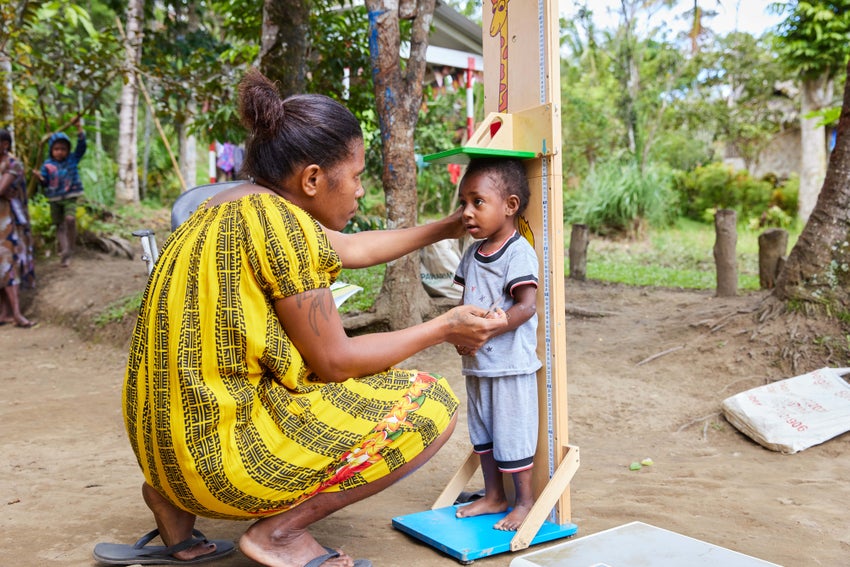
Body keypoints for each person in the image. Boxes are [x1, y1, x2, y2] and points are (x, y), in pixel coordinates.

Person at [93, 68, 506, 567]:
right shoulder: (284, 229)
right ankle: (280, 535)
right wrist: (444, 327)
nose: (358, 192)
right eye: (355, 177)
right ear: (312, 178)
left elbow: (352, 248)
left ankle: (174, 518)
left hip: (165, 456)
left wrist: (445, 227)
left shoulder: (226, 205)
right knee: (428, 403)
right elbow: (336, 361)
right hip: (217, 461)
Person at [451, 158, 541, 531]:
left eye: (477, 202)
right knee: (483, 434)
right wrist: (461, 332)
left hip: (509, 367)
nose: (467, 213)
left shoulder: (518, 252)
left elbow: (526, 305)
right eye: (463, 204)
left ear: (510, 205)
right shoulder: (472, 253)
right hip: (477, 366)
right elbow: (464, 302)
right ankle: (493, 496)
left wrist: (493, 326)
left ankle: (525, 502)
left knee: (512, 434)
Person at [33, 118, 86, 267]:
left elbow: (82, 146)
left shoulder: (72, 159)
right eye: (56, 149)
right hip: (54, 198)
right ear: (51, 150)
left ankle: (70, 248)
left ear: (68, 150)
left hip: (70, 196)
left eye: (63, 149)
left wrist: (79, 130)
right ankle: (65, 252)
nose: (60, 152)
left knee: (70, 219)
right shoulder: (47, 164)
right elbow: (45, 183)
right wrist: (39, 178)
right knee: (59, 225)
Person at [0, 128, 36, 328]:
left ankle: (16, 313)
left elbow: (1, 189)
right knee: (2, 266)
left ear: (5, 144)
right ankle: (4, 313)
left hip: (10, 223)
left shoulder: (13, 164)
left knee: (9, 265)